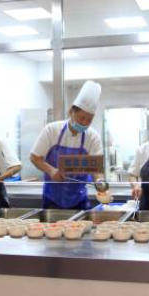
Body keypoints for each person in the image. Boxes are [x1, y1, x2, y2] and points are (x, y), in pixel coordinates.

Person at [30, 81, 103, 210]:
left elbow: (96, 169)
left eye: (89, 120)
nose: (84, 123)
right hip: (52, 199)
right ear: (71, 112)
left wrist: (99, 182)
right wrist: (51, 170)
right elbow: (34, 157)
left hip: (79, 200)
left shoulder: (93, 137)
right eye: (81, 118)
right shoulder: (51, 130)